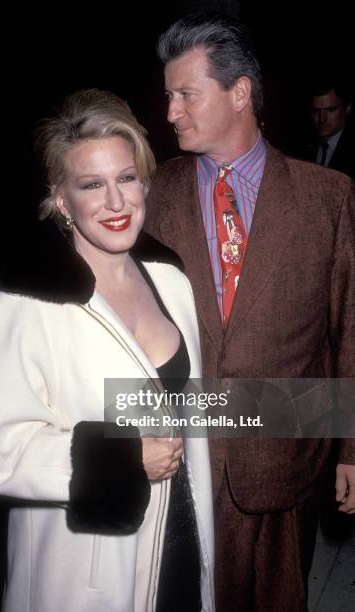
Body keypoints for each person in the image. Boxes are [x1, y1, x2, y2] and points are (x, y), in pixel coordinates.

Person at [0, 89, 214, 612]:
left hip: (182, 533)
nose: (117, 202)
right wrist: (122, 459)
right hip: (90, 566)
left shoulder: (170, 280)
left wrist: (323, 420)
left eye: (126, 178)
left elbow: (190, 405)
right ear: (62, 199)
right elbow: (1, 453)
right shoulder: (25, 305)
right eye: (92, 185)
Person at [145, 13, 355, 612]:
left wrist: (351, 451)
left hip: (290, 454)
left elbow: (349, 329)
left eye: (186, 94)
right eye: (168, 96)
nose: (171, 112)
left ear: (240, 93)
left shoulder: (328, 197)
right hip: (191, 455)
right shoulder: (154, 193)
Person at [306, 81, 354, 178]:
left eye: (331, 110)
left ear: (348, 108)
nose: (322, 118)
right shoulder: (305, 145)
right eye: (316, 111)